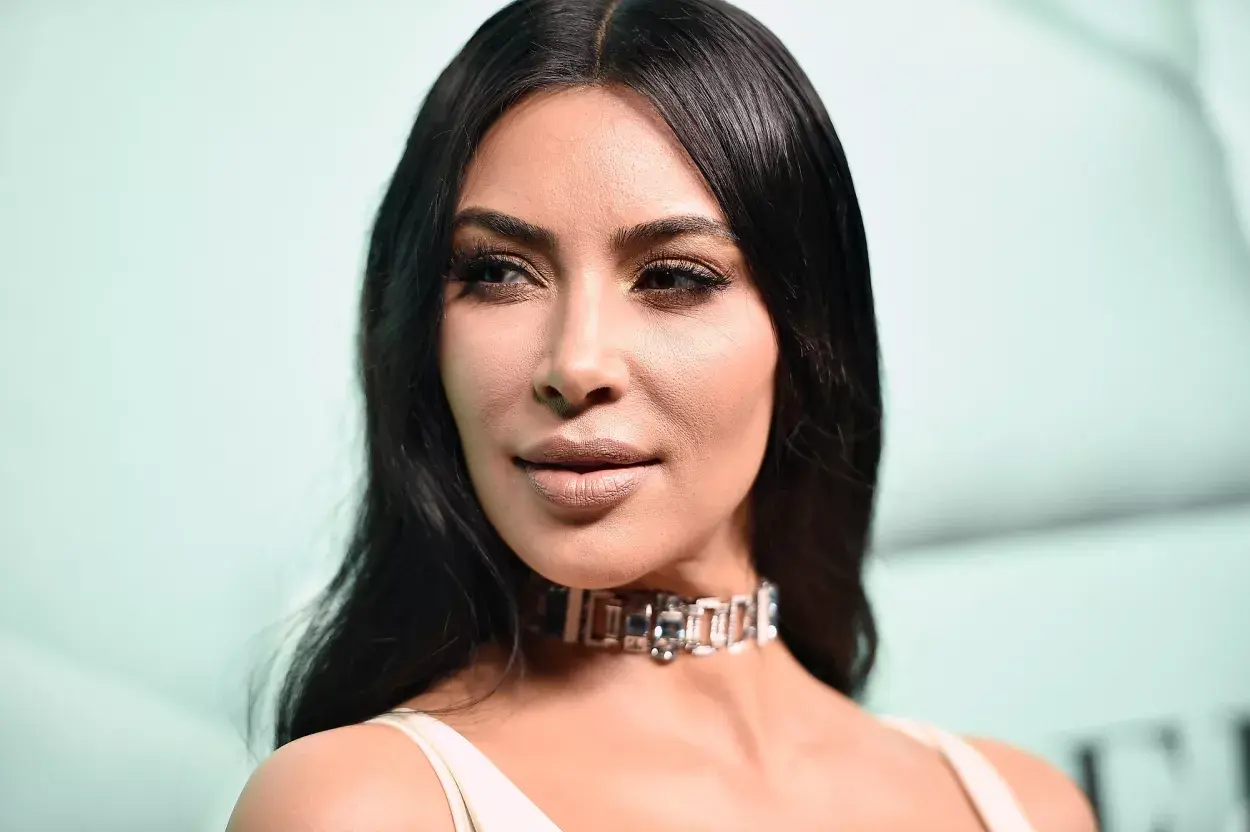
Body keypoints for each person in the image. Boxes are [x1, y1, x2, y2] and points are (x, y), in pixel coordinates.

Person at [227, 0, 1098, 829]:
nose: (575, 365)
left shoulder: (1021, 809)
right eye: (497, 272)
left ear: (804, 337)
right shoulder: (357, 808)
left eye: (674, 277)